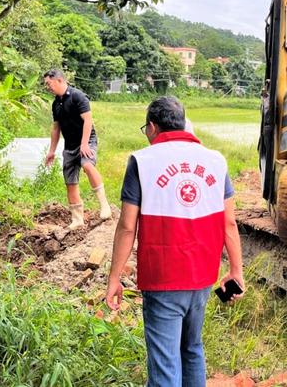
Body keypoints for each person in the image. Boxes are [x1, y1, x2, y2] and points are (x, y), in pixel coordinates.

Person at [104, 96, 244, 387]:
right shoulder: (216, 160)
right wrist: (236, 271)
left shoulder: (142, 161)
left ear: (152, 127)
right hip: (203, 277)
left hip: (164, 278)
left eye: (146, 128)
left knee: (165, 362)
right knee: (192, 349)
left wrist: (114, 277)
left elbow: (127, 227)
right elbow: (229, 223)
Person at [43, 68, 112, 230]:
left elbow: (88, 120)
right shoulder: (56, 103)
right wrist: (52, 151)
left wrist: (84, 144)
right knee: (70, 181)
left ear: (59, 80)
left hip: (87, 140)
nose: (47, 87)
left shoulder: (77, 96)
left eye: (49, 83)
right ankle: (77, 219)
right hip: (70, 145)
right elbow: (55, 128)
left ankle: (105, 206)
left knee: (87, 165)